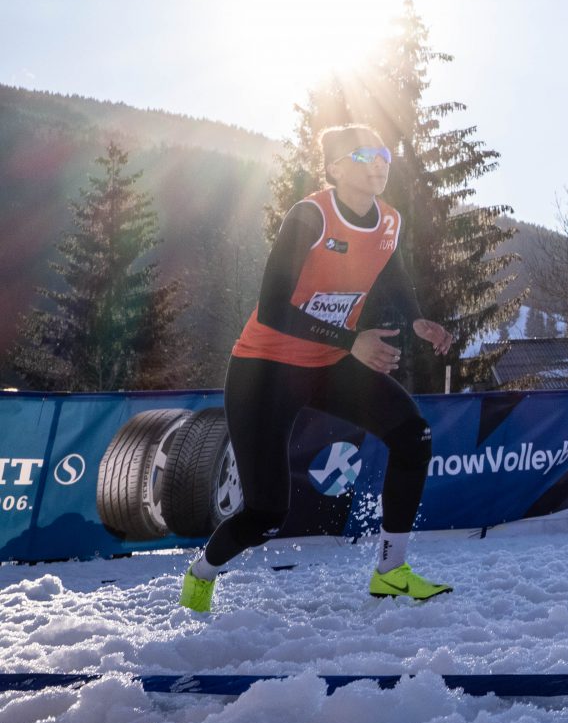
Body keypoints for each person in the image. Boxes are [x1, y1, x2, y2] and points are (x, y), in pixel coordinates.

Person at [178, 124, 455, 610]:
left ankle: (391, 570)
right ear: (334, 168)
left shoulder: (389, 221)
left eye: (384, 153)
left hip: (328, 364)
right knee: (266, 513)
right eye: (364, 154)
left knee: (414, 436)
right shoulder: (310, 216)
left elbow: (391, 267)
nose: (378, 162)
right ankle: (202, 573)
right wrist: (352, 340)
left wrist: (416, 319)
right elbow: (272, 308)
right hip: (264, 371)